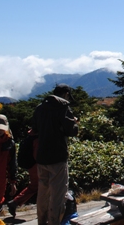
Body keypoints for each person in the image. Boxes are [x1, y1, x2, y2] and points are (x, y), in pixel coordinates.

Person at [32, 84, 79, 225]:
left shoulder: (40, 107)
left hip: (41, 157)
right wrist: (75, 122)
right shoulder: (63, 107)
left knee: (43, 193)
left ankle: (41, 221)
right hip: (57, 156)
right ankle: (54, 222)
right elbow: (72, 131)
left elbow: (35, 128)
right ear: (65, 94)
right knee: (58, 195)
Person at [7, 130, 39, 217]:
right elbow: (37, 155)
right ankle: (15, 202)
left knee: (35, 186)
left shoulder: (31, 136)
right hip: (36, 165)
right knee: (38, 186)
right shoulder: (37, 138)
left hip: (31, 165)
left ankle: (15, 202)